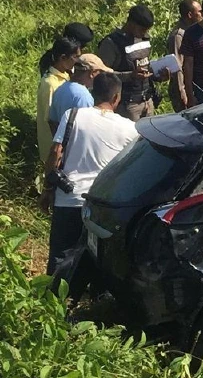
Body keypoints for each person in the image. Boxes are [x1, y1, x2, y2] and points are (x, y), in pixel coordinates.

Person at [40, 72, 138, 275]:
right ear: (116, 98)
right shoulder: (130, 129)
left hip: (69, 199)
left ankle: (53, 294)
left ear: (93, 93)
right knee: (98, 262)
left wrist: (47, 189)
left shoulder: (73, 115)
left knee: (60, 256)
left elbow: (55, 152)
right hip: (102, 206)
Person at [95, 4, 162, 123]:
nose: (144, 33)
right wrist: (130, 75)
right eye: (142, 29)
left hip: (147, 101)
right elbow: (102, 75)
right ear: (131, 24)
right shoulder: (111, 43)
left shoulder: (144, 39)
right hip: (126, 105)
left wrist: (158, 74)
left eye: (147, 30)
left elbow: (145, 65)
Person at [36, 37, 82, 163]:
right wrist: (60, 148)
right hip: (54, 145)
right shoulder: (50, 84)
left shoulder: (66, 75)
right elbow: (51, 120)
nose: (78, 61)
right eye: (76, 57)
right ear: (63, 58)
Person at [48, 54, 111, 132]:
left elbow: (52, 122)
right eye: (100, 73)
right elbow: (87, 129)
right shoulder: (84, 96)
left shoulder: (61, 88)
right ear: (92, 73)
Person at [167, 0, 201, 111]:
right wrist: (183, 95)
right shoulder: (178, 36)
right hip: (183, 92)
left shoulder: (193, 31)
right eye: (199, 12)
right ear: (190, 15)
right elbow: (177, 68)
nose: (202, 14)